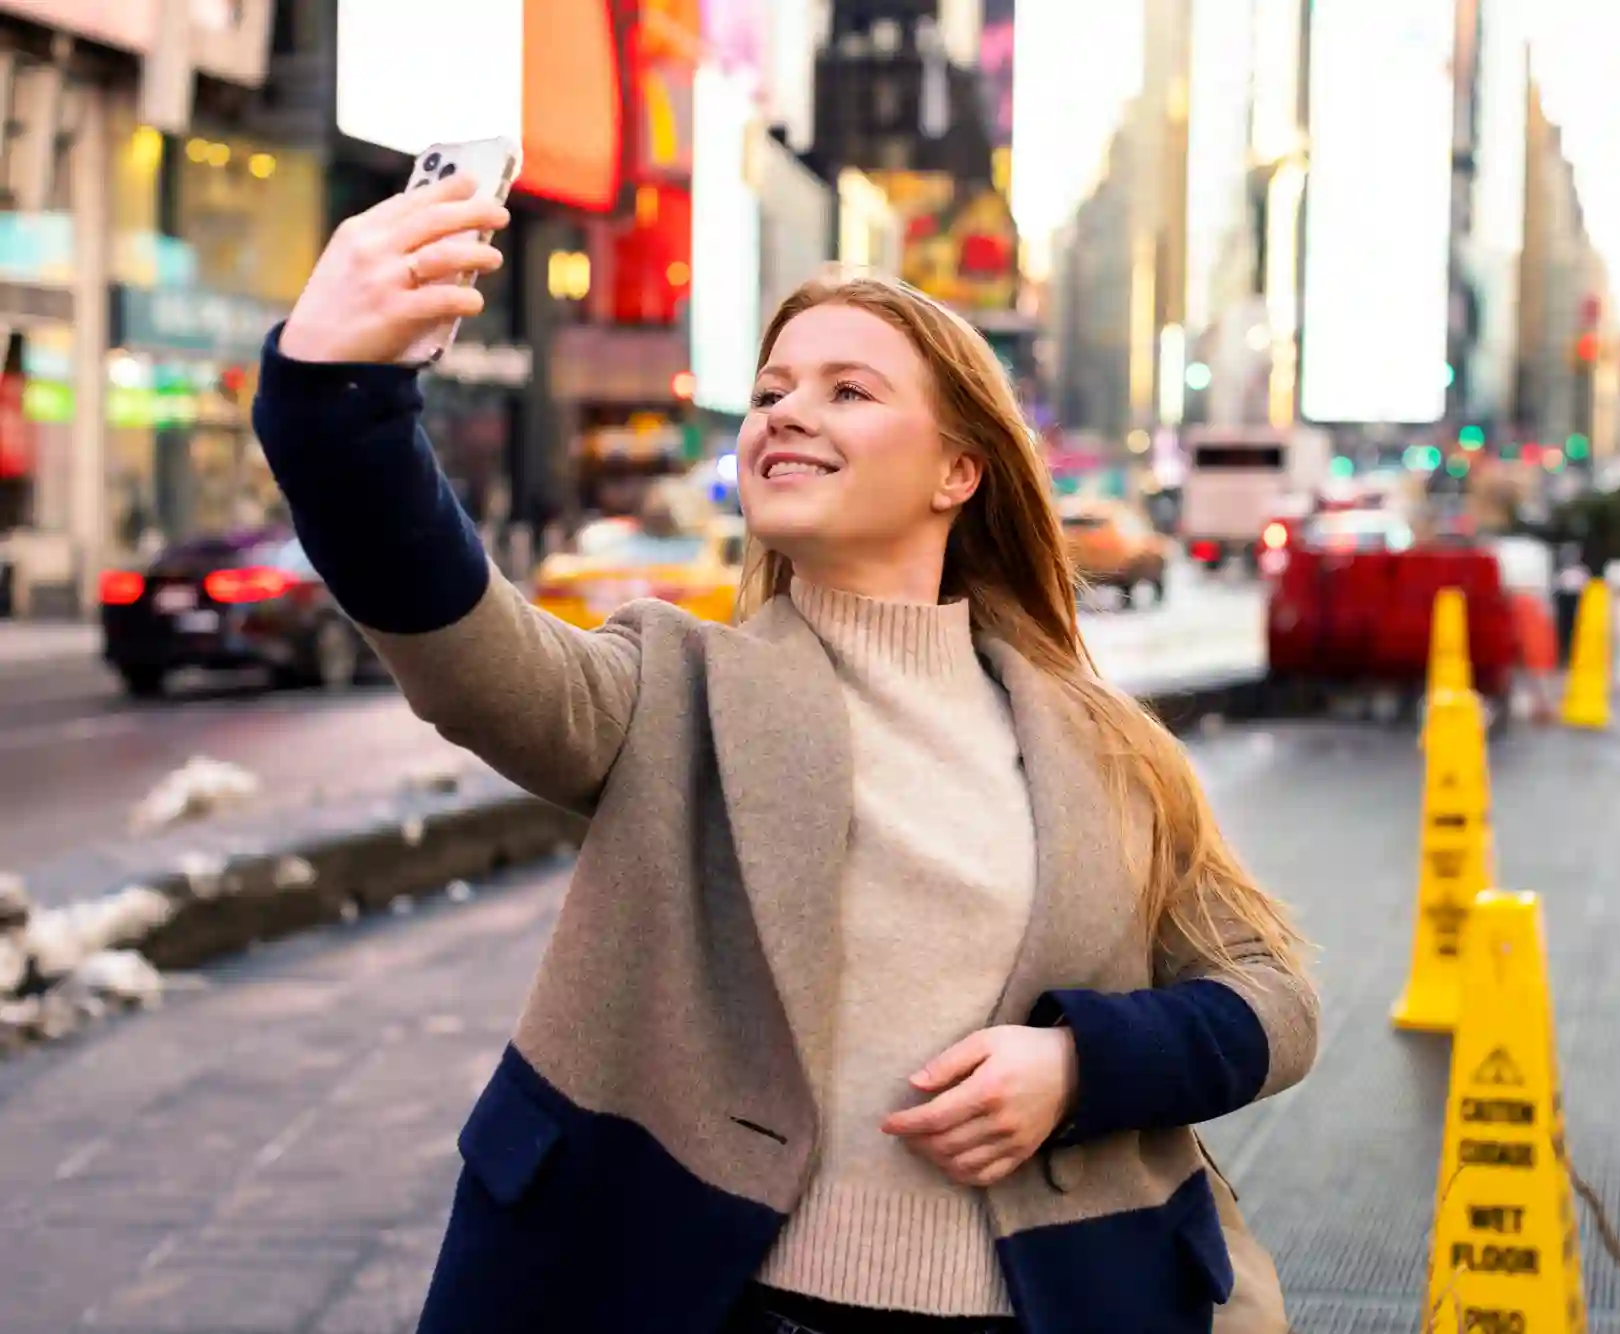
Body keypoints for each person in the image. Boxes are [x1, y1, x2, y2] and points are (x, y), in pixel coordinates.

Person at [251, 174, 1318, 1334]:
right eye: (770, 391)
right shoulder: (674, 686)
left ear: (958, 471)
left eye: (846, 389)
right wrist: (336, 404)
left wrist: (1079, 1067)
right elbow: (464, 645)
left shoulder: (1103, 746)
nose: (784, 413)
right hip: (709, 1301)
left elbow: (1275, 1000)